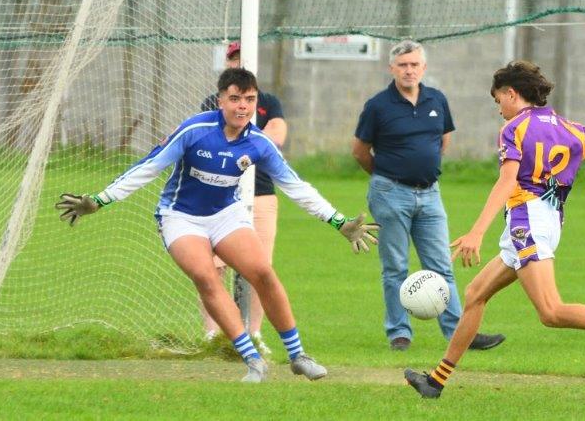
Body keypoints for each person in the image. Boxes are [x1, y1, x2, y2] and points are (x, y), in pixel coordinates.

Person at [56, 68, 379, 383]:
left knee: (263, 272)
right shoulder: (194, 130)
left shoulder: (259, 143)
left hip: (226, 213)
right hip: (180, 216)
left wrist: (338, 222)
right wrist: (99, 200)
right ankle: (252, 360)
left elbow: (296, 186)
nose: (242, 106)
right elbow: (149, 167)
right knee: (206, 276)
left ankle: (298, 357)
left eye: (249, 99)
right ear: (220, 101)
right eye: (235, 98)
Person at [404, 60, 585, 399]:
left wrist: (477, 231)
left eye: (498, 99)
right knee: (475, 295)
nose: (498, 109)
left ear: (512, 94)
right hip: (547, 220)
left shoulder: (514, 128)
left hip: (526, 222)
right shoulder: (567, 126)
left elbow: (506, 180)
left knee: (551, 312)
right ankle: (436, 382)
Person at [352, 40, 504, 352]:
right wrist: (386, 179)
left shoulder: (437, 99)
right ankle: (399, 333)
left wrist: (422, 169)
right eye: (403, 65)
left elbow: (443, 141)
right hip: (390, 194)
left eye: (414, 65)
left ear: (424, 68)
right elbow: (360, 151)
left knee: (441, 266)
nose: (409, 70)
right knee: (395, 266)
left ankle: (458, 334)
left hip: (430, 196)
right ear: (392, 68)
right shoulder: (378, 105)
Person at [199, 41, 288, 355]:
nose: (238, 63)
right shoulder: (213, 102)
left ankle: (255, 333)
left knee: (260, 268)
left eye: (244, 59)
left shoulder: (269, 102)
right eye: (233, 59)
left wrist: (253, 138)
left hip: (262, 194)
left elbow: (277, 134)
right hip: (220, 194)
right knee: (213, 266)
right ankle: (213, 333)